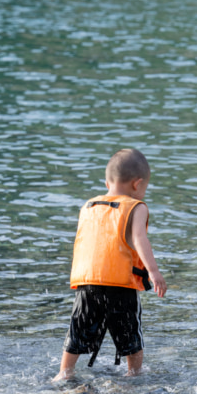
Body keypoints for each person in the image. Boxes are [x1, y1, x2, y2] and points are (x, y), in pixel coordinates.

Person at [53, 148, 167, 380]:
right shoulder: (137, 207)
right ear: (138, 184)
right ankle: (133, 374)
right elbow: (139, 238)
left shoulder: (88, 206)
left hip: (88, 282)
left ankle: (64, 373)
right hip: (120, 284)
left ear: (107, 183)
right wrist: (154, 272)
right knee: (129, 334)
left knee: (78, 329)